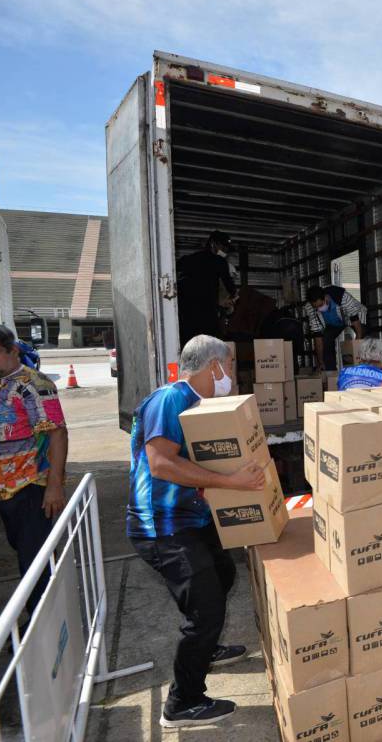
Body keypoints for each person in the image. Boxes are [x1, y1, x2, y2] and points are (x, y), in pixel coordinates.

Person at [126, 335, 267, 728]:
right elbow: (161, 464)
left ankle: (206, 649)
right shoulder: (171, 399)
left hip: (191, 520)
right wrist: (234, 484)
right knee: (206, 611)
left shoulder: (197, 403)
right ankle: (182, 703)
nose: (231, 375)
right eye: (229, 365)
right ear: (213, 367)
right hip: (163, 527)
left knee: (223, 576)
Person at [0, 323, 68, 614]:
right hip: (4, 491)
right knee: (25, 555)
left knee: (35, 568)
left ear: (12, 351)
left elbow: (57, 434)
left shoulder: (35, 384)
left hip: (31, 489)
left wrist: (54, 486)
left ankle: (38, 633)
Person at [176, 231, 237, 345]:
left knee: (188, 343)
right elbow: (230, 286)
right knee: (211, 343)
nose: (225, 250)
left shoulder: (191, 258)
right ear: (213, 243)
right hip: (206, 311)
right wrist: (234, 295)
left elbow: (177, 267)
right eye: (223, 246)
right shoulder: (220, 262)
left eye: (227, 248)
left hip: (186, 311)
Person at [303, 284, 365, 371]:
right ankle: (330, 372)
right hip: (334, 324)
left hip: (354, 316)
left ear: (325, 297)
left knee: (363, 336)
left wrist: (357, 345)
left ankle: (364, 366)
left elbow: (355, 318)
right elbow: (318, 337)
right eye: (316, 307)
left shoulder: (342, 296)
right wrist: (321, 361)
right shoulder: (310, 308)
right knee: (326, 339)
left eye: (320, 305)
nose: (319, 309)